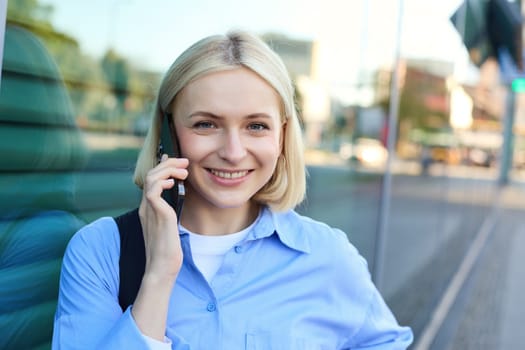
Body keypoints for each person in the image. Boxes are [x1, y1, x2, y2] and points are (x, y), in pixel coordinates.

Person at [52, 30, 413, 349]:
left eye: (256, 126)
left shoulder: (329, 256)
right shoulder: (100, 253)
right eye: (206, 124)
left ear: (282, 136)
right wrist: (159, 275)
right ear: (167, 133)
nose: (233, 152)